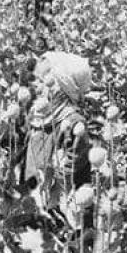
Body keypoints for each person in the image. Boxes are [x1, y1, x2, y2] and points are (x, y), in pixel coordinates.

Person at [24, 51, 93, 205]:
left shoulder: (73, 122)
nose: (37, 85)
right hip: (33, 194)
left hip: (55, 201)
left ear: (62, 88)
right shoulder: (40, 114)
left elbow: (71, 168)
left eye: (44, 81)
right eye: (37, 80)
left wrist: (50, 186)